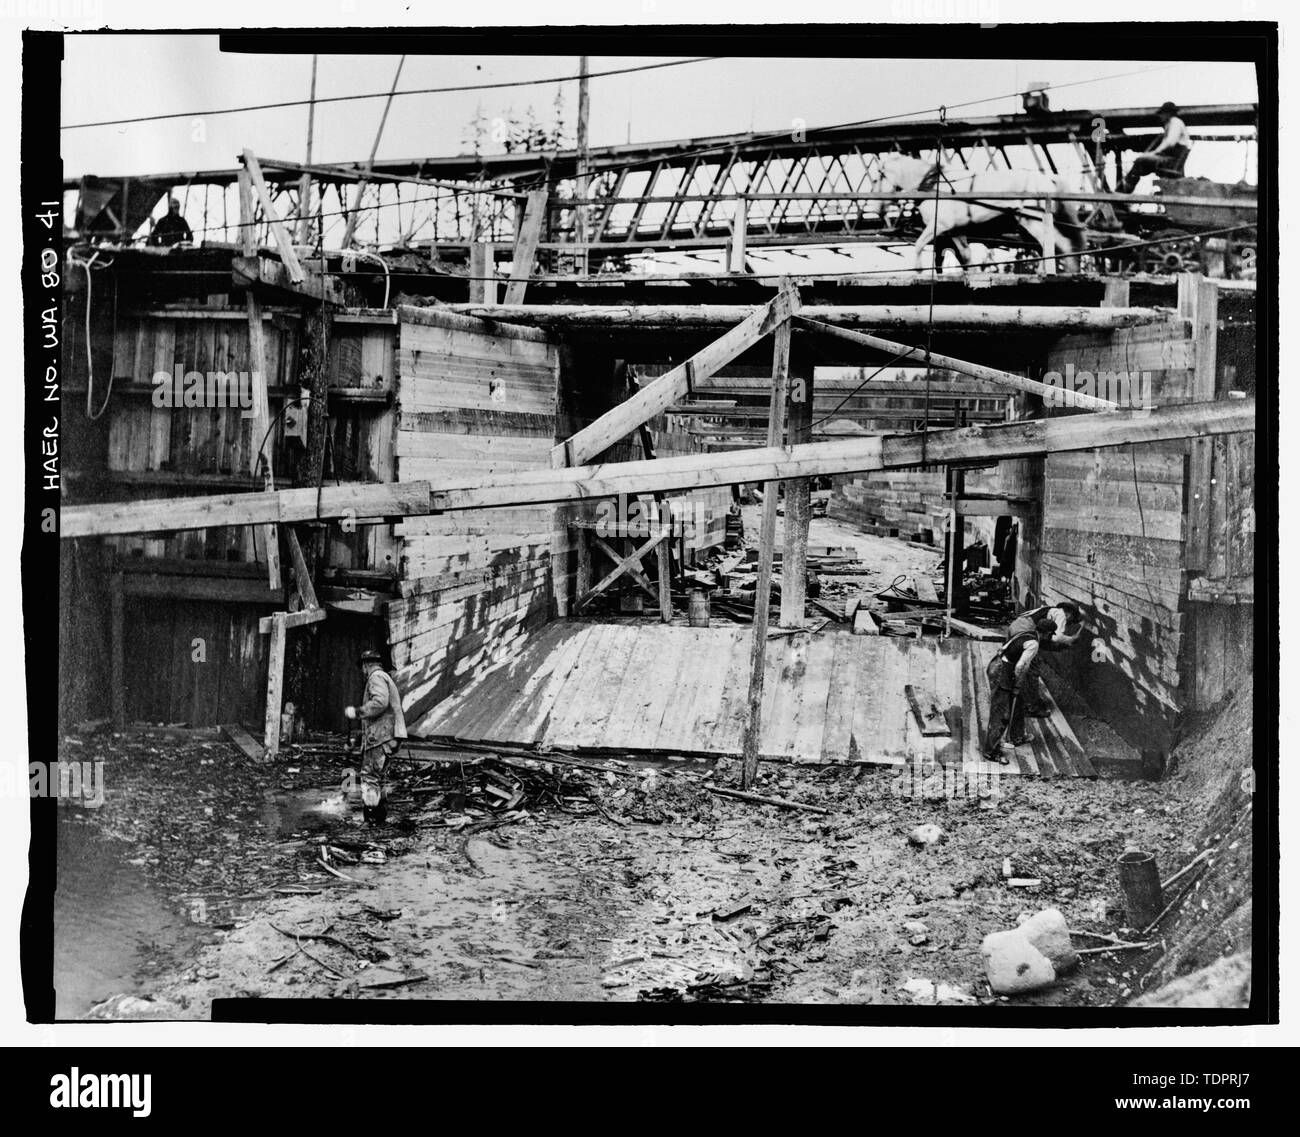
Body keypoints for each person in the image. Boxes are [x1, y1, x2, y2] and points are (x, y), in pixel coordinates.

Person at [344, 649, 407, 825]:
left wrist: (357, 712)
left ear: (366, 665)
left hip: (381, 736)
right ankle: (380, 819)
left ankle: (371, 820)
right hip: (389, 735)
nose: (363, 672)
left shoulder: (376, 677)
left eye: (363, 668)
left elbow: (380, 702)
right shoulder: (386, 677)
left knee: (370, 777)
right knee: (380, 777)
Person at [983, 618, 1057, 764]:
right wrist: (1017, 685)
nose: (1051, 638)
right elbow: (1021, 666)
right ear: (1047, 633)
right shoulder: (1034, 644)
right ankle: (990, 752)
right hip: (1002, 671)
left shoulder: (1028, 633)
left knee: (1018, 702)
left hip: (999, 663)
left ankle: (1017, 736)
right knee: (1001, 711)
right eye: (1051, 635)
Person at [1007, 600, 1085, 716]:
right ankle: (1032, 707)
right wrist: (1071, 639)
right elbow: (1056, 638)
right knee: (1032, 669)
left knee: (1019, 665)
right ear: (1069, 614)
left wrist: (1062, 646)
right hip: (1024, 631)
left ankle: (1019, 699)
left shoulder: (1048, 611)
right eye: (1070, 621)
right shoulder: (1061, 614)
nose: (1067, 624)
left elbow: (1045, 641)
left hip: (1015, 627)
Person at [1120, 102, 1192, 193]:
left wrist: (1155, 152)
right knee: (1142, 162)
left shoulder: (1175, 122)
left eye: (1162, 114)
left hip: (1170, 162)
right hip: (1171, 160)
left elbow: (1170, 142)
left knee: (1140, 160)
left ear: (1167, 113)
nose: (1160, 116)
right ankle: (1127, 187)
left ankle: (1125, 191)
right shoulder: (1171, 123)